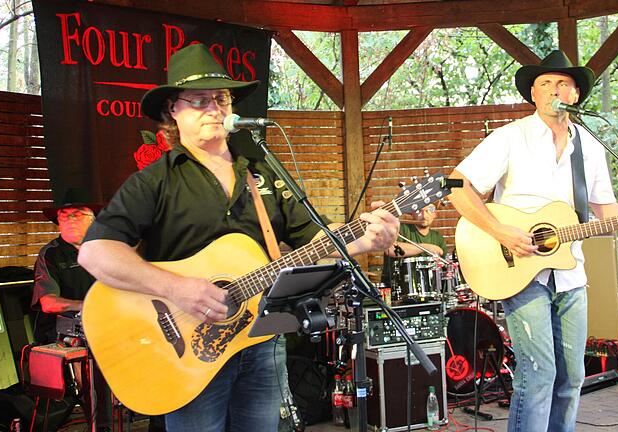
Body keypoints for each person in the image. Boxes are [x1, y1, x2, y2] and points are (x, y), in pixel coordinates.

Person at [77, 44, 398, 432]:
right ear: (172, 112)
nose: (214, 107)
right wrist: (177, 289)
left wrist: (365, 239)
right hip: (185, 355)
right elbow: (95, 253)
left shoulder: (261, 170)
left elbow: (317, 238)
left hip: (261, 341)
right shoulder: (156, 180)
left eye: (222, 98)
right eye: (198, 100)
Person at [448, 50, 618, 432]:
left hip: (570, 274)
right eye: (546, 83)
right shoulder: (510, 137)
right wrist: (500, 230)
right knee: (538, 375)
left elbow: (602, 208)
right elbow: (455, 185)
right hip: (520, 272)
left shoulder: (590, 145)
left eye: (563, 83)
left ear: (576, 95)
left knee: (572, 378)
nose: (555, 89)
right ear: (533, 94)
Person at [31, 188, 112, 431]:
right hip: (67, 331)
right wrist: (87, 306)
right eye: (64, 215)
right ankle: (103, 424)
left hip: (111, 323)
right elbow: (48, 302)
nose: (69, 219)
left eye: (77, 214)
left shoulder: (107, 250)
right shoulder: (51, 254)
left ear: (93, 221)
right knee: (96, 363)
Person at [381, 203, 447, 289]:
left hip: (431, 290)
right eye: (419, 210)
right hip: (398, 289)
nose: (424, 215)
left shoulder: (438, 237)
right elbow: (390, 248)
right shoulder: (402, 229)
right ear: (412, 213)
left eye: (429, 211)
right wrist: (426, 247)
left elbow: (446, 266)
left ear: (435, 214)